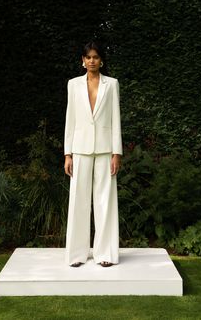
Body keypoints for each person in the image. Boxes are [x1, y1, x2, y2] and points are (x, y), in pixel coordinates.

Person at [64, 40, 123, 267]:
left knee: (105, 202)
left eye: (95, 57)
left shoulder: (112, 84)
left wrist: (116, 152)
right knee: (78, 202)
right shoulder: (73, 85)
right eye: (88, 57)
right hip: (79, 149)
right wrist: (67, 153)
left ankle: (105, 254)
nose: (92, 61)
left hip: (106, 149)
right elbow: (71, 119)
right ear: (82, 61)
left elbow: (115, 119)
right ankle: (76, 255)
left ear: (101, 60)